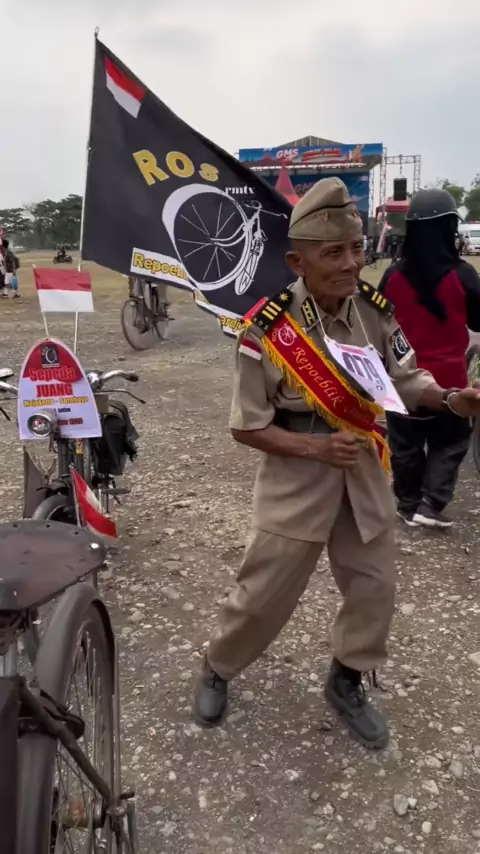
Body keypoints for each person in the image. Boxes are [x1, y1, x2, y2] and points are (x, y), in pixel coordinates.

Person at [192, 177, 480, 750]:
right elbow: (245, 426)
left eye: (356, 248)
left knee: (375, 585)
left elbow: (406, 378)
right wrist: (315, 449)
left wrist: (450, 398)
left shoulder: (375, 311)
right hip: (296, 471)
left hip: (362, 467)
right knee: (263, 593)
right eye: (334, 253)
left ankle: (347, 678)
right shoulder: (267, 330)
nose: (352, 263)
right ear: (297, 262)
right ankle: (218, 667)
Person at [378, 188, 480, 528]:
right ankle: (431, 504)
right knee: (451, 442)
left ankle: (408, 504)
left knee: (404, 445)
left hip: (400, 379)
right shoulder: (464, 274)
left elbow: (377, 321)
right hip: (450, 381)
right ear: (450, 227)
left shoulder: (392, 275)